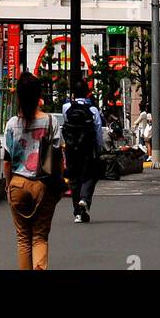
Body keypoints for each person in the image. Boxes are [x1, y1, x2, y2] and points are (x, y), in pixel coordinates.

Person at [3, 71, 64, 269]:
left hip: (17, 183)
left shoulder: (12, 124)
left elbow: (7, 160)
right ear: (39, 95)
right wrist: (59, 183)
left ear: (19, 96)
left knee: (23, 238)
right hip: (42, 183)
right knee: (39, 237)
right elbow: (57, 157)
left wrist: (8, 185)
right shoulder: (50, 121)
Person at [62, 78, 103, 222]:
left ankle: (78, 212)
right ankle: (84, 199)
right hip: (88, 147)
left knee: (74, 178)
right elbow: (98, 130)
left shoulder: (66, 107)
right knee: (90, 175)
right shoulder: (93, 110)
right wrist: (99, 147)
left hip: (71, 147)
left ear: (73, 93)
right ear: (87, 93)